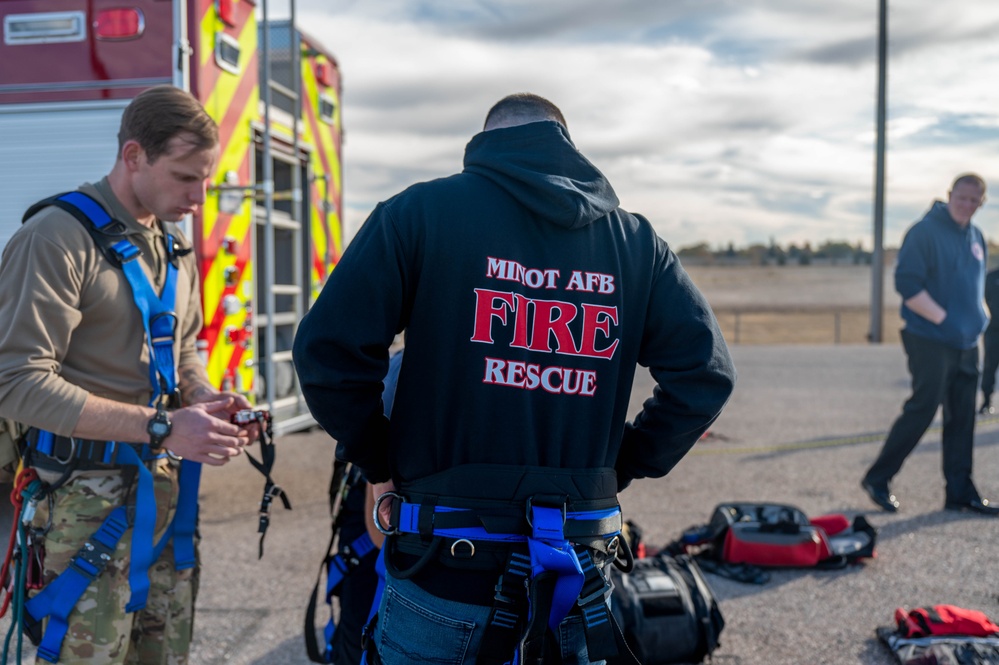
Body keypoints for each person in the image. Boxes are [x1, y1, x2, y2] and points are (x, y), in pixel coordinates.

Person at [294, 93, 736, 664]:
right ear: (566, 143)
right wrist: (620, 465)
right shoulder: (636, 244)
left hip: (443, 566)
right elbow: (707, 374)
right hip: (576, 579)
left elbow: (327, 351)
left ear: (484, 143)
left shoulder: (418, 214)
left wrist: (381, 461)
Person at [0, 85, 255, 663]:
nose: (200, 196)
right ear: (135, 156)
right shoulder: (56, 238)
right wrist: (164, 428)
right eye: (186, 177)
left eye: (207, 178)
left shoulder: (173, 245)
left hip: (163, 496)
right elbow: (15, 382)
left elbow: (184, 346)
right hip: (82, 503)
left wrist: (206, 399)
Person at [861, 173, 997, 516]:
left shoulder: (976, 235)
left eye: (974, 201)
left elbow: (974, 283)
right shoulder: (924, 232)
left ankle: (960, 492)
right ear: (950, 194)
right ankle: (878, 478)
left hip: (967, 342)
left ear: (982, 203)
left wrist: (980, 315)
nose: (967, 205)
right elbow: (907, 283)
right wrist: (945, 319)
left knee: (963, 418)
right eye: (962, 197)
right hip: (930, 339)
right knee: (922, 409)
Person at [978, 267, 999, 414]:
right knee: (989, 367)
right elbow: (981, 299)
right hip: (993, 331)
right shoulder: (991, 277)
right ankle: (986, 402)